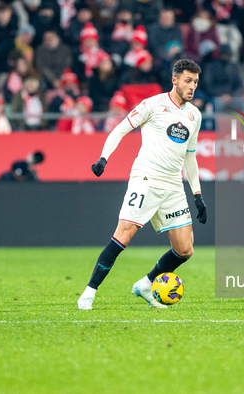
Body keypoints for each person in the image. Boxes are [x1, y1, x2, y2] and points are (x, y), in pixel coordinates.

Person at [77, 59, 207, 310]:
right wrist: (104, 158)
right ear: (175, 80)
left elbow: (190, 156)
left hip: (173, 186)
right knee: (123, 235)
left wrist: (197, 194)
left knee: (185, 250)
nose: (192, 87)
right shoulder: (153, 104)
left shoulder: (194, 115)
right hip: (146, 179)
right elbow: (120, 130)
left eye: (196, 82)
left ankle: (146, 284)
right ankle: (89, 292)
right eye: (188, 81)